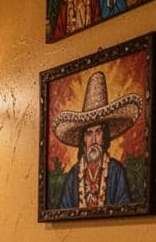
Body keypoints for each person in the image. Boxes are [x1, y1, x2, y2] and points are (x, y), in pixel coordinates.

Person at [54, 71, 139, 209]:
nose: (93, 139)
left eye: (98, 132)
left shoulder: (116, 171)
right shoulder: (74, 174)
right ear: (83, 140)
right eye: (89, 133)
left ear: (104, 138)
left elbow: (125, 209)